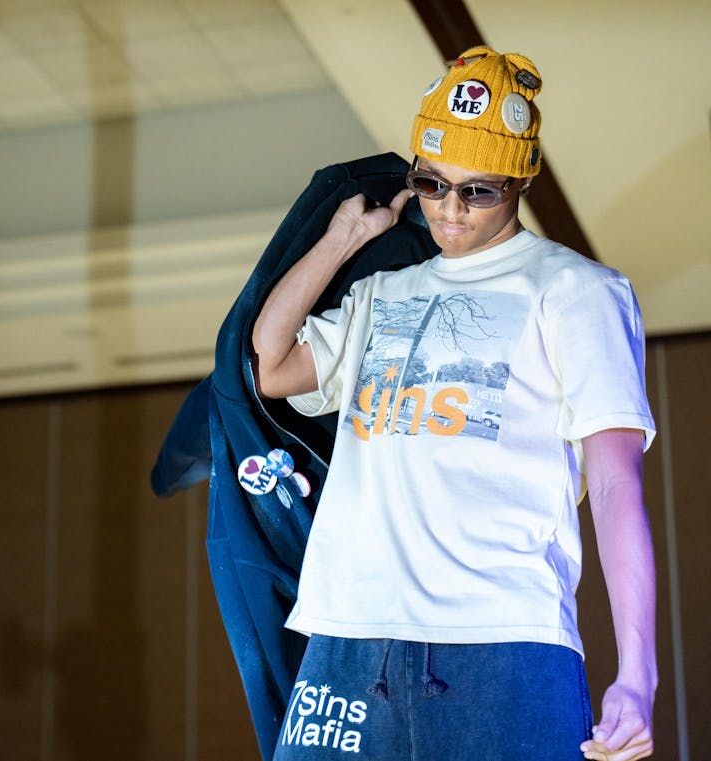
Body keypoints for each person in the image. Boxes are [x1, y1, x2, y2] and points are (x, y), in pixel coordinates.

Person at [252, 46, 656, 761]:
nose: (450, 209)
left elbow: (620, 481)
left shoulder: (575, 290)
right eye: (432, 184)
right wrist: (344, 238)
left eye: (478, 191)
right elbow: (274, 362)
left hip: (502, 643)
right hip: (348, 636)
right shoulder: (386, 292)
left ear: (524, 176)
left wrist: (639, 673)